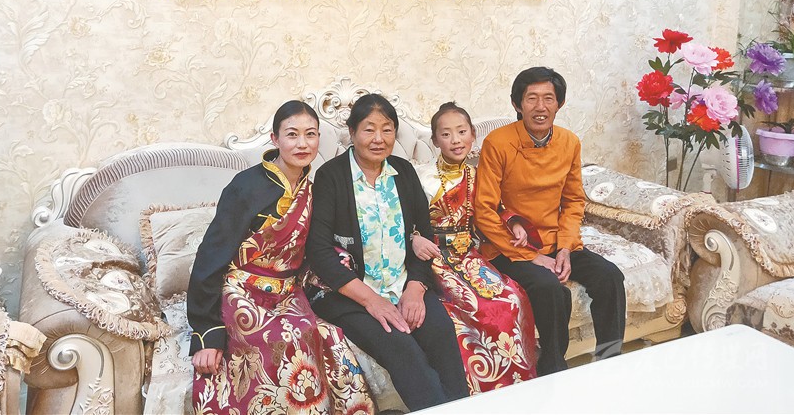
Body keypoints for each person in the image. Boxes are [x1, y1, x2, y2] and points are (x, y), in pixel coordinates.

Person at [187, 100, 374, 415]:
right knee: (286, 339)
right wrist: (206, 333)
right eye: (292, 134)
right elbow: (211, 256)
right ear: (275, 139)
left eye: (311, 134)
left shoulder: (312, 191)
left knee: (327, 334)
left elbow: (310, 246)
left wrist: (337, 255)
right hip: (242, 291)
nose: (302, 144)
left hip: (288, 292)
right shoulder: (245, 186)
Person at [305, 94, 470, 411]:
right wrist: (372, 300)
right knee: (402, 348)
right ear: (352, 132)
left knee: (441, 332)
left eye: (387, 129)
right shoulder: (330, 177)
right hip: (350, 293)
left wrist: (416, 288)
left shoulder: (403, 172)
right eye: (369, 129)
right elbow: (319, 251)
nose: (378, 139)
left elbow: (422, 234)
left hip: (402, 282)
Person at [474, 67, 626, 376]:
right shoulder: (498, 142)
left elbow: (573, 202)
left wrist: (566, 249)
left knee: (609, 276)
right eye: (531, 98)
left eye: (548, 98)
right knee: (551, 289)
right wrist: (531, 257)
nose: (540, 107)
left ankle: (610, 361)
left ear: (560, 104)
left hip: (556, 240)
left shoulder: (569, 142)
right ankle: (553, 369)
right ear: (517, 104)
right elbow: (483, 209)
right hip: (510, 245)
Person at [410, 102, 537, 392]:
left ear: (473, 135)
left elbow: (496, 208)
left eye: (462, 132)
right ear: (434, 140)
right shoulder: (420, 176)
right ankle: (475, 387)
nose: (455, 140)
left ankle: (518, 384)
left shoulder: (479, 174)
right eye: (446, 134)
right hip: (435, 259)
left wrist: (515, 223)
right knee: (471, 306)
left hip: (470, 255)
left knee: (512, 298)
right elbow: (406, 219)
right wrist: (414, 238)